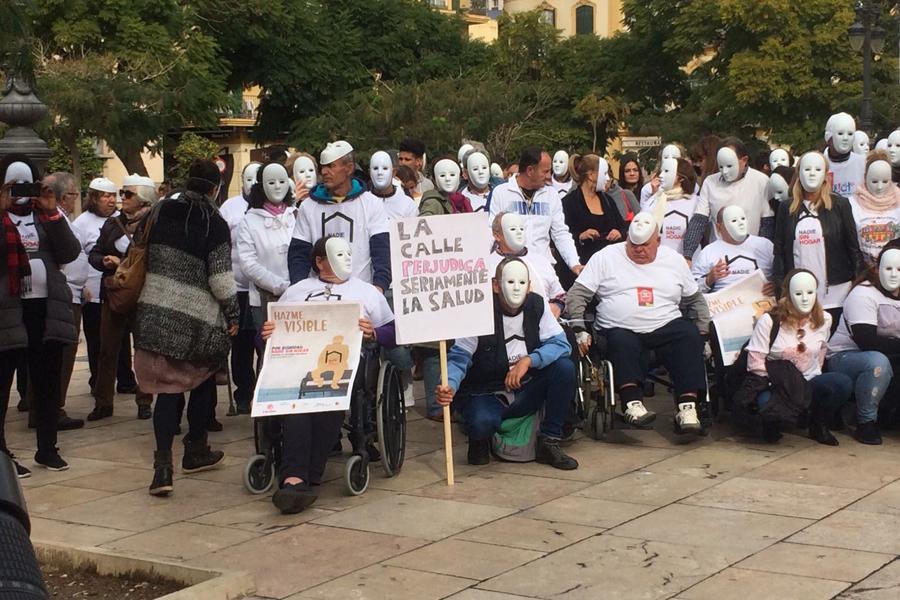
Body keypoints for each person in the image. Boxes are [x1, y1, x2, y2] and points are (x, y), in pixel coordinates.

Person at [260, 235, 396, 513]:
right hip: (297, 364)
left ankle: (303, 475)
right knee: (299, 400)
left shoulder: (368, 292)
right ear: (319, 262)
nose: (346, 260)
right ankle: (296, 478)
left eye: (348, 254)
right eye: (338, 255)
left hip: (346, 365)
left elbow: (395, 333)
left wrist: (374, 332)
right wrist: (266, 335)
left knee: (325, 399)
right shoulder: (297, 291)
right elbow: (268, 338)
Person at [136, 159, 236, 497]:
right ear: (214, 188)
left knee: (167, 389)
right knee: (203, 377)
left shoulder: (160, 210)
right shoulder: (215, 223)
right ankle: (195, 448)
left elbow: (137, 246)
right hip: (196, 321)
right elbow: (221, 281)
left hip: (153, 312)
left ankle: (162, 468)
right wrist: (233, 314)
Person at [566, 213, 710, 434]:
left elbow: (695, 300)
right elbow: (577, 295)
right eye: (633, 245)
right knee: (621, 340)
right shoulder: (606, 257)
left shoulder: (673, 260)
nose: (639, 250)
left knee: (689, 335)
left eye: (645, 245)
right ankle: (632, 403)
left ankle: (687, 407)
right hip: (619, 328)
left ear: (658, 241)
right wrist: (578, 329)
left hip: (665, 325)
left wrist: (703, 333)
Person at [436, 258, 579, 470]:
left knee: (564, 368)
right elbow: (460, 357)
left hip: (525, 388)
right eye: (509, 282)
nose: (516, 288)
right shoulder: (478, 312)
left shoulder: (537, 306)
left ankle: (549, 440)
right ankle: (480, 438)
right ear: (495, 285)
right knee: (481, 423)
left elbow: (561, 344)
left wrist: (530, 360)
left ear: (529, 286)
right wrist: (449, 384)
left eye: (522, 283)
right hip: (486, 392)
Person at [0, 157, 81, 473]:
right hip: (8, 312)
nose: (21, 192)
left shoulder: (46, 215)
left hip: (45, 311)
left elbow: (69, 252)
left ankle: (47, 448)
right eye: (14, 185)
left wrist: (50, 211)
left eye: (26, 184)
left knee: (47, 385)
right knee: (3, 386)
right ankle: (3, 456)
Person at [744, 269, 852, 445]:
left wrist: (805, 385)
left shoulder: (825, 319)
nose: (804, 298)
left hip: (808, 380)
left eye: (810, 293)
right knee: (766, 403)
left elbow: (820, 354)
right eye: (799, 293)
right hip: (778, 384)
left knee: (841, 383)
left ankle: (818, 424)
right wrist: (787, 384)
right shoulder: (769, 321)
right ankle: (772, 423)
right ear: (788, 294)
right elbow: (755, 363)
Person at [87, 174, 157, 421]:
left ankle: (144, 400)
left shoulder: (153, 224)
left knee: (144, 352)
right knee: (107, 351)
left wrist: (126, 264)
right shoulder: (112, 224)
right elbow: (94, 253)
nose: (121, 199)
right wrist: (104, 261)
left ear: (143, 198)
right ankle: (103, 403)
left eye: (128, 194)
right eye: (122, 193)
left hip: (143, 296)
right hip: (115, 295)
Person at [773, 151, 864, 327]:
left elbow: (853, 247)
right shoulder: (786, 208)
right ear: (798, 173)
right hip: (800, 293)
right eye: (807, 169)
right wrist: (780, 291)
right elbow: (779, 252)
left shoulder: (840, 205)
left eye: (817, 169)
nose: (812, 173)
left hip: (836, 292)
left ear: (825, 175)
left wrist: (859, 284)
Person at [287, 140, 391, 293]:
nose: (324, 172)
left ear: (349, 168)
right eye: (323, 167)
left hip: (360, 293)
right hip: (318, 296)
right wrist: (300, 290)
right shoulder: (308, 206)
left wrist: (379, 286)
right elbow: (299, 254)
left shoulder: (371, 203)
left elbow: (382, 250)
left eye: (331, 166)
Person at [827, 241, 900, 445]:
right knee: (877, 362)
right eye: (888, 268)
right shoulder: (863, 294)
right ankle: (866, 422)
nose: (893, 274)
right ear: (877, 269)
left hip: (892, 355)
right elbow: (866, 340)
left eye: (899, 269)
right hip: (847, 357)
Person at [489, 147, 582, 277]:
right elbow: (492, 232)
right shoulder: (501, 193)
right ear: (530, 170)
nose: (549, 176)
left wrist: (574, 263)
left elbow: (560, 232)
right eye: (545, 171)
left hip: (543, 269)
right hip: (510, 269)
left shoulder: (551, 195)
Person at [683, 137, 773, 259]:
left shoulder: (762, 182)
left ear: (744, 160)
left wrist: (764, 256)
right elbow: (699, 220)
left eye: (730, 166)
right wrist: (688, 255)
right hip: (719, 256)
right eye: (721, 167)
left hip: (752, 255)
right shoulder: (710, 182)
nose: (725, 171)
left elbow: (767, 225)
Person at [219, 162, 262, 415]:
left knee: (262, 342)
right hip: (237, 288)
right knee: (241, 345)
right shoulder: (229, 208)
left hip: (263, 289)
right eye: (248, 178)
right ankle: (243, 392)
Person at [45, 172, 86, 431]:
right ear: (63, 197)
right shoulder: (55, 219)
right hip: (63, 296)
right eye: (73, 195)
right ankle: (52, 408)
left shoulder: (64, 219)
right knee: (62, 354)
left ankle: (48, 406)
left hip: (74, 292)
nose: (75, 199)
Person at [72, 177, 120, 393]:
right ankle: (97, 380)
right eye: (105, 196)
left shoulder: (119, 219)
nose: (111, 200)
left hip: (117, 289)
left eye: (113, 196)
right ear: (93, 198)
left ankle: (125, 379)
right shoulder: (81, 223)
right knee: (95, 340)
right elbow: (76, 256)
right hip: (92, 290)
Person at [237, 162, 297, 329]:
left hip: (298, 297)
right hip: (265, 301)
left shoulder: (297, 215)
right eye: (271, 182)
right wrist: (277, 285)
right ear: (261, 186)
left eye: (282, 181)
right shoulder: (249, 221)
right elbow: (248, 263)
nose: (277, 187)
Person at [487, 212, 566, 315]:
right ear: (497, 235)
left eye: (521, 228)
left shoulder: (541, 260)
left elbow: (560, 295)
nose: (519, 232)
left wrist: (557, 306)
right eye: (513, 229)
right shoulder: (487, 266)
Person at [560, 154, 625, 268]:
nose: (608, 179)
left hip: (609, 265)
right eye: (604, 174)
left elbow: (623, 226)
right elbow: (561, 234)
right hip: (583, 264)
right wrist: (580, 236)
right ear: (591, 175)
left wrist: (619, 232)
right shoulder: (569, 202)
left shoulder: (608, 200)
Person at [692, 206, 775, 293]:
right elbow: (693, 289)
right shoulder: (708, 252)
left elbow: (781, 276)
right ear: (719, 227)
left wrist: (775, 286)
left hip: (761, 301)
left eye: (743, 219)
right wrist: (709, 279)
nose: (740, 223)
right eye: (734, 221)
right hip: (725, 303)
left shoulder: (765, 245)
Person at [848, 151, 900, 265]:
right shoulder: (851, 205)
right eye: (874, 181)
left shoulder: (898, 202)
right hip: (863, 272)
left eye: (885, 181)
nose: (880, 187)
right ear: (866, 176)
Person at [641, 158, 699, 257]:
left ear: (681, 178)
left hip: (687, 264)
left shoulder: (697, 203)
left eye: (667, 171)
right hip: (658, 263)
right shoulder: (653, 200)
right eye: (662, 171)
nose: (661, 175)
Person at [824, 112, 865, 198]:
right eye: (840, 133)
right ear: (829, 137)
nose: (845, 138)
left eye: (850, 134)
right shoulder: (819, 164)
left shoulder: (863, 163)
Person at [366, 151, 416, 221]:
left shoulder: (408, 205)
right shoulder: (361, 204)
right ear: (370, 173)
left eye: (385, 168)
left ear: (394, 172)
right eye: (375, 168)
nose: (380, 173)